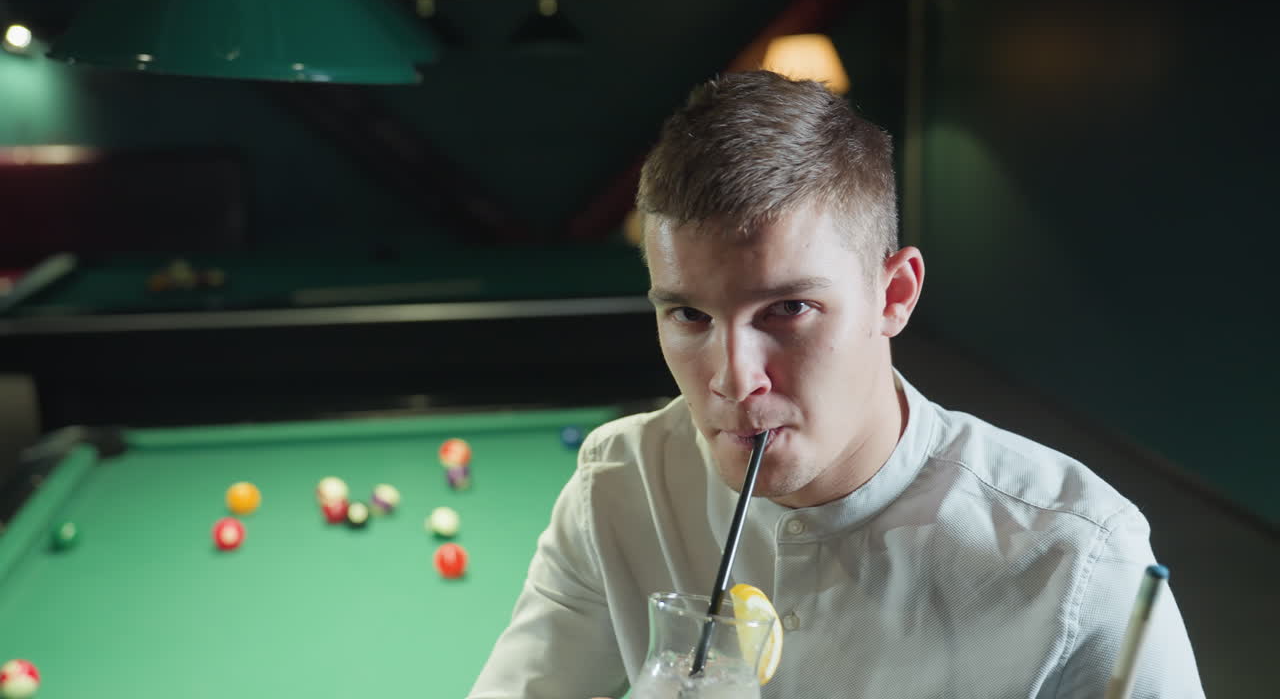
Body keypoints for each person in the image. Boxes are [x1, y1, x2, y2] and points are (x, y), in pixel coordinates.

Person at [467, 70, 1204, 698]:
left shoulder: (1079, 563)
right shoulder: (621, 490)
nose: (734, 378)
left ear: (893, 296)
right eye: (689, 314)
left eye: (789, 309)